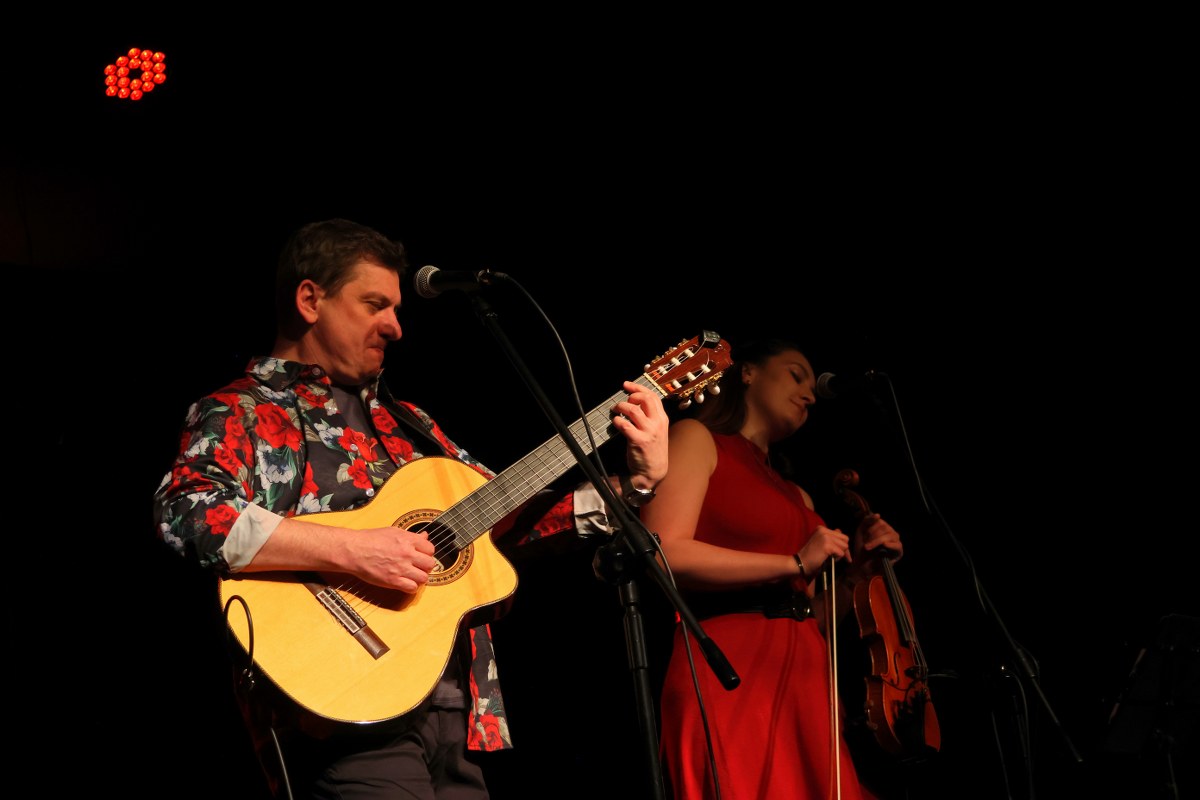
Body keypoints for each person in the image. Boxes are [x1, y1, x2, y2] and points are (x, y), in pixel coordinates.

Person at [151, 218, 668, 799]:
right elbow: (187, 512)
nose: (396, 327)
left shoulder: (412, 424)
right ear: (310, 300)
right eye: (375, 305)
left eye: (397, 310)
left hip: (454, 710)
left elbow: (506, 524)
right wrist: (354, 550)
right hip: (339, 709)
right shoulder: (241, 410)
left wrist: (634, 486)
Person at [640, 336, 904, 800]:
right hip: (730, 667)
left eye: (812, 389)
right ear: (747, 372)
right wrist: (794, 561)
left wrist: (857, 576)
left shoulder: (798, 496)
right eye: (796, 376)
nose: (809, 395)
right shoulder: (697, 438)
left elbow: (808, 617)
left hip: (805, 677)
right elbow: (663, 552)